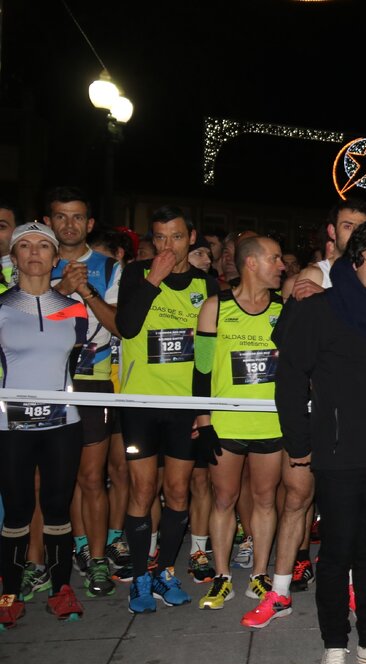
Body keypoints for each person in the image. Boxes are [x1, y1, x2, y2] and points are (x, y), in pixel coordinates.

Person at [275, 219, 366, 664]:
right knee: (337, 555)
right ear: (353, 262)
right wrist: (298, 447)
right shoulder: (322, 309)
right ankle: (334, 645)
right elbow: (290, 378)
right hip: (339, 454)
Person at [115, 206, 219, 614]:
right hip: (140, 402)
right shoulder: (135, 274)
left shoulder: (207, 284)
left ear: (191, 238)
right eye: (159, 237)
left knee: (178, 492)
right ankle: (140, 576)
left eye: (175, 237)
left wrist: (202, 408)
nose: (167, 245)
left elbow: (208, 354)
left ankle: (164, 571)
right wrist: (153, 279)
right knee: (143, 490)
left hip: (183, 405)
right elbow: (126, 326)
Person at [192, 236, 290, 626]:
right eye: (275, 258)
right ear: (252, 263)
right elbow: (200, 370)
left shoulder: (284, 310)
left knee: (265, 500)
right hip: (225, 422)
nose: (281, 265)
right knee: (223, 500)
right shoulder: (216, 307)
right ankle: (221, 577)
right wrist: (203, 421)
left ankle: (260, 575)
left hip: (270, 421)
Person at [0, 222, 89, 627]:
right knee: (17, 509)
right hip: (9, 425)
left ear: (56, 258)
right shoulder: (0, 305)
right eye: (24, 246)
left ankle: (61, 590)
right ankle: (10, 592)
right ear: (13, 257)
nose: (33, 252)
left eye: (42, 246)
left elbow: (87, 353)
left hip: (62, 423)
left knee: (57, 506)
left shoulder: (73, 308)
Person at [44, 186, 123, 599]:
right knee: (58, 477)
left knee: (93, 477)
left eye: (77, 217)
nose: (69, 224)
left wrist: (85, 291)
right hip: (45, 381)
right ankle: (72, 549)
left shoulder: (109, 268)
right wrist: (59, 287)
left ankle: (97, 561)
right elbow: (25, 316)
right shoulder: (35, 260)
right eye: (61, 216)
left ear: (89, 224)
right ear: (49, 220)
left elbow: (117, 326)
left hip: (94, 380)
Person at [282, 198, 366, 300]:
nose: (355, 233)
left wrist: (325, 294)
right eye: (347, 226)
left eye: (361, 228)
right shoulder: (316, 275)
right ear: (332, 231)